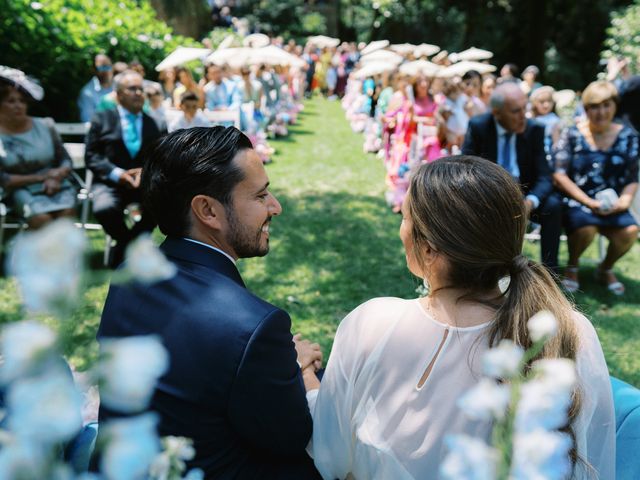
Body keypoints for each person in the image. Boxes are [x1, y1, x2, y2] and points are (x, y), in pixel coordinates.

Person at [307, 156, 615, 479]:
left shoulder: (371, 324)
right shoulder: (568, 330)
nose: (401, 228)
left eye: (405, 217)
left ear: (429, 250)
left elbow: (331, 456)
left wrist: (307, 379)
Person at [95, 126, 323, 479]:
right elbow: (293, 437)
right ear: (208, 211)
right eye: (261, 196)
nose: (275, 207)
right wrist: (300, 370)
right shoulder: (254, 326)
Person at [462, 82, 562, 272]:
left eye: (525, 108)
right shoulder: (479, 127)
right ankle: (481, 269)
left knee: (553, 205)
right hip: (489, 196)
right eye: (516, 111)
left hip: (526, 195)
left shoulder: (534, 129)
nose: (524, 115)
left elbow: (544, 176)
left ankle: (551, 273)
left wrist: (530, 202)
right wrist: (489, 197)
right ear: (497, 113)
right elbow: (465, 170)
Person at [553, 80, 639, 295]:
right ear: (586, 108)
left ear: (615, 106)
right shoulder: (572, 134)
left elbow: (632, 176)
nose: (601, 112)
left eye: (606, 105)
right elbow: (559, 175)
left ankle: (605, 268)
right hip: (579, 201)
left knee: (630, 231)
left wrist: (625, 201)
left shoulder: (628, 136)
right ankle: (572, 266)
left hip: (614, 203)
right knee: (586, 229)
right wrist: (588, 202)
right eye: (594, 107)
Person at [85, 70, 164, 267]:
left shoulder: (156, 122)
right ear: (119, 94)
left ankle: (123, 248)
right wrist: (118, 174)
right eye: (132, 89)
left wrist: (144, 173)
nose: (138, 93)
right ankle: (130, 245)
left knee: (163, 204)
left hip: (144, 184)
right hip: (110, 182)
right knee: (104, 208)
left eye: (141, 89)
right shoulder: (102, 118)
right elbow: (92, 155)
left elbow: (164, 157)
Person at [0, 78, 76, 228]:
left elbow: (65, 160)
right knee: (42, 220)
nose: (18, 106)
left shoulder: (45, 125)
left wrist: (57, 176)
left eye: (22, 101)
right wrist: (42, 177)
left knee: (66, 215)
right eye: (11, 101)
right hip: (17, 189)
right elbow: (3, 179)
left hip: (56, 183)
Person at [77, 54, 114, 122]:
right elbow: (88, 121)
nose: (106, 71)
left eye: (108, 67)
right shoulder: (87, 92)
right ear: (93, 70)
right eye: (102, 68)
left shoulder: (119, 87)